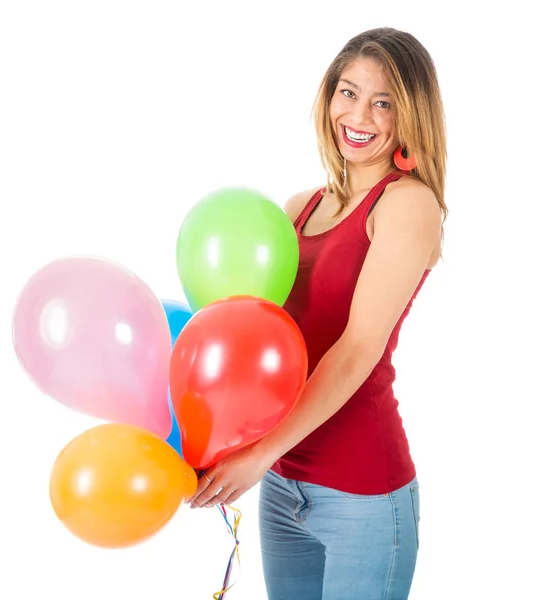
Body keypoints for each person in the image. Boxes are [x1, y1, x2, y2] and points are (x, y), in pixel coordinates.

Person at [188, 26, 447, 599]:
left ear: (410, 115)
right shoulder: (298, 208)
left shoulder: (408, 204)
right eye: (347, 92)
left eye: (384, 102)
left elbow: (357, 350)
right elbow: (250, 342)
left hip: (363, 493)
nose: (360, 114)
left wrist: (257, 455)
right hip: (282, 485)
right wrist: (216, 445)